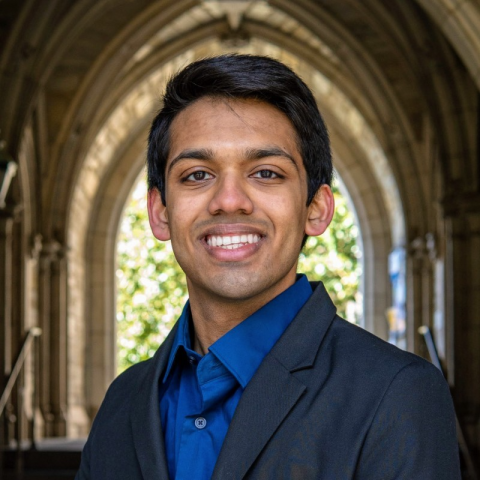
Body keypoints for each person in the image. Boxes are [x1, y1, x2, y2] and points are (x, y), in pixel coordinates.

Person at [76, 54, 460, 479]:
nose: (229, 200)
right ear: (160, 212)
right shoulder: (123, 402)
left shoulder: (398, 394)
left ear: (316, 208)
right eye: (197, 175)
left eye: (265, 172)